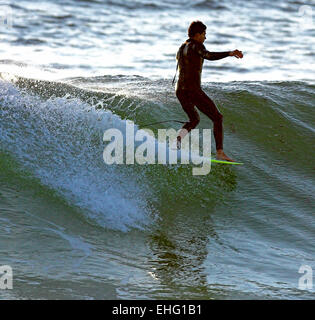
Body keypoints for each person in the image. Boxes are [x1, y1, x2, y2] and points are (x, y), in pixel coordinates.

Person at [175, 20, 243, 162]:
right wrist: (229, 53)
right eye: (204, 34)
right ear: (198, 34)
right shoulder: (197, 45)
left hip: (180, 90)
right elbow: (209, 55)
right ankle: (220, 152)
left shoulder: (182, 47)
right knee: (217, 118)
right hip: (192, 90)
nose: (205, 37)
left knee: (194, 119)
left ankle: (176, 143)